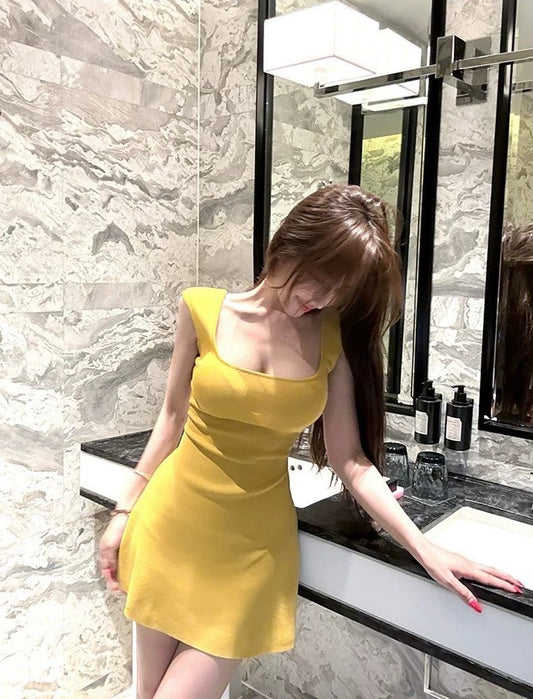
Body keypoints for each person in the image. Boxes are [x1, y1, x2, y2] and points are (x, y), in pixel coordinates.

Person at [98, 184, 524, 699]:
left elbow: (351, 461)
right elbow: (170, 419)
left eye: (340, 292)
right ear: (290, 244)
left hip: (251, 551)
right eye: (323, 279)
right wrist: (123, 513)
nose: (323, 300)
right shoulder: (201, 309)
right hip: (169, 526)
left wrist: (425, 548)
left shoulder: (331, 341)